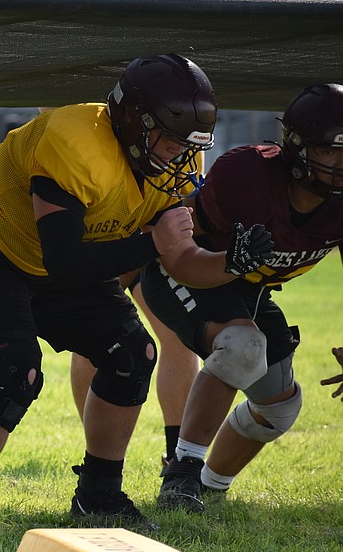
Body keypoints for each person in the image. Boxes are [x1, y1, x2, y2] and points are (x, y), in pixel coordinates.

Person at [0, 54, 268, 529]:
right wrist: (151, 241)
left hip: (56, 260)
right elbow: (65, 260)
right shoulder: (76, 141)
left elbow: (181, 260)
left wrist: (230, 264)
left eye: (187, 143)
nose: (176, 153)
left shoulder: (177, 156)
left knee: (133, 352)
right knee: (13, 371)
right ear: (131, 121)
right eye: (166, 137)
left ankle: (98, 495)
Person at [147, 83, 343, 513]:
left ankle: (209, 486)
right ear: (296, 147)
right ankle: (181, 474)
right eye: (332, 150)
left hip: (247, 284)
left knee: (280, 407)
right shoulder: (248, 175)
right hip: (187, 265)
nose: (342, 163)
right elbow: (178, 249)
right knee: (242, 346)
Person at [68, 0, 201, 471]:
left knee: (171, 332)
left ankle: (173, 451)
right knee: (103, 333)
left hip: (146, 204)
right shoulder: (76, 55)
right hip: (102, 209)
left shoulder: (160, 53)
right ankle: (105, 451)